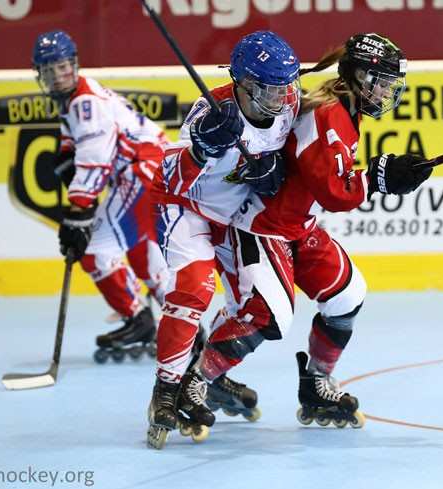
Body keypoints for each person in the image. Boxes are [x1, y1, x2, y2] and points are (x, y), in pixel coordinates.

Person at [194, 33, 432, 428]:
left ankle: (317, 382)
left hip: (297, 226)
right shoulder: (329, 116)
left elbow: (329, 182)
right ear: (360, 77)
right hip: (263, 225)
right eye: (384, 81)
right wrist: (378, 178)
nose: (390, 91)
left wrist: (381, 175)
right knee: (267, 314)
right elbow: (336, 193)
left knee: (347, 294)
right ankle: (196, 380)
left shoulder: (341, 109)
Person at [146, 31, 301, 449]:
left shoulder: (288, 105)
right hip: (188, 208)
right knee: (195, 288)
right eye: (272, 89)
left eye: (289, 85)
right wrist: (201, 148)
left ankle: (203, 373)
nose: (284, 97)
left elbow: (297, 151)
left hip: (236, 216)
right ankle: (165, 390)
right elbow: (170, 176)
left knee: (259, 310)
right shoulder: (209, 112)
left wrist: (277, 174)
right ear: (245, 84)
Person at [32, 30, 169, 363]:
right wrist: (66, 159)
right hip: (151, 169)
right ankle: (184, 322)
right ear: (40, 75)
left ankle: (139, 320)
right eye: (50, 71)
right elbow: (76, 146)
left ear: (74, 65)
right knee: (137, 250)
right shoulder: (74, 99)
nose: (58, 76)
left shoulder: (85, 102)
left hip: (142, 170)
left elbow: (95, 159)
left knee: (93, 250)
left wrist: (78, 212)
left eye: (63, 67)